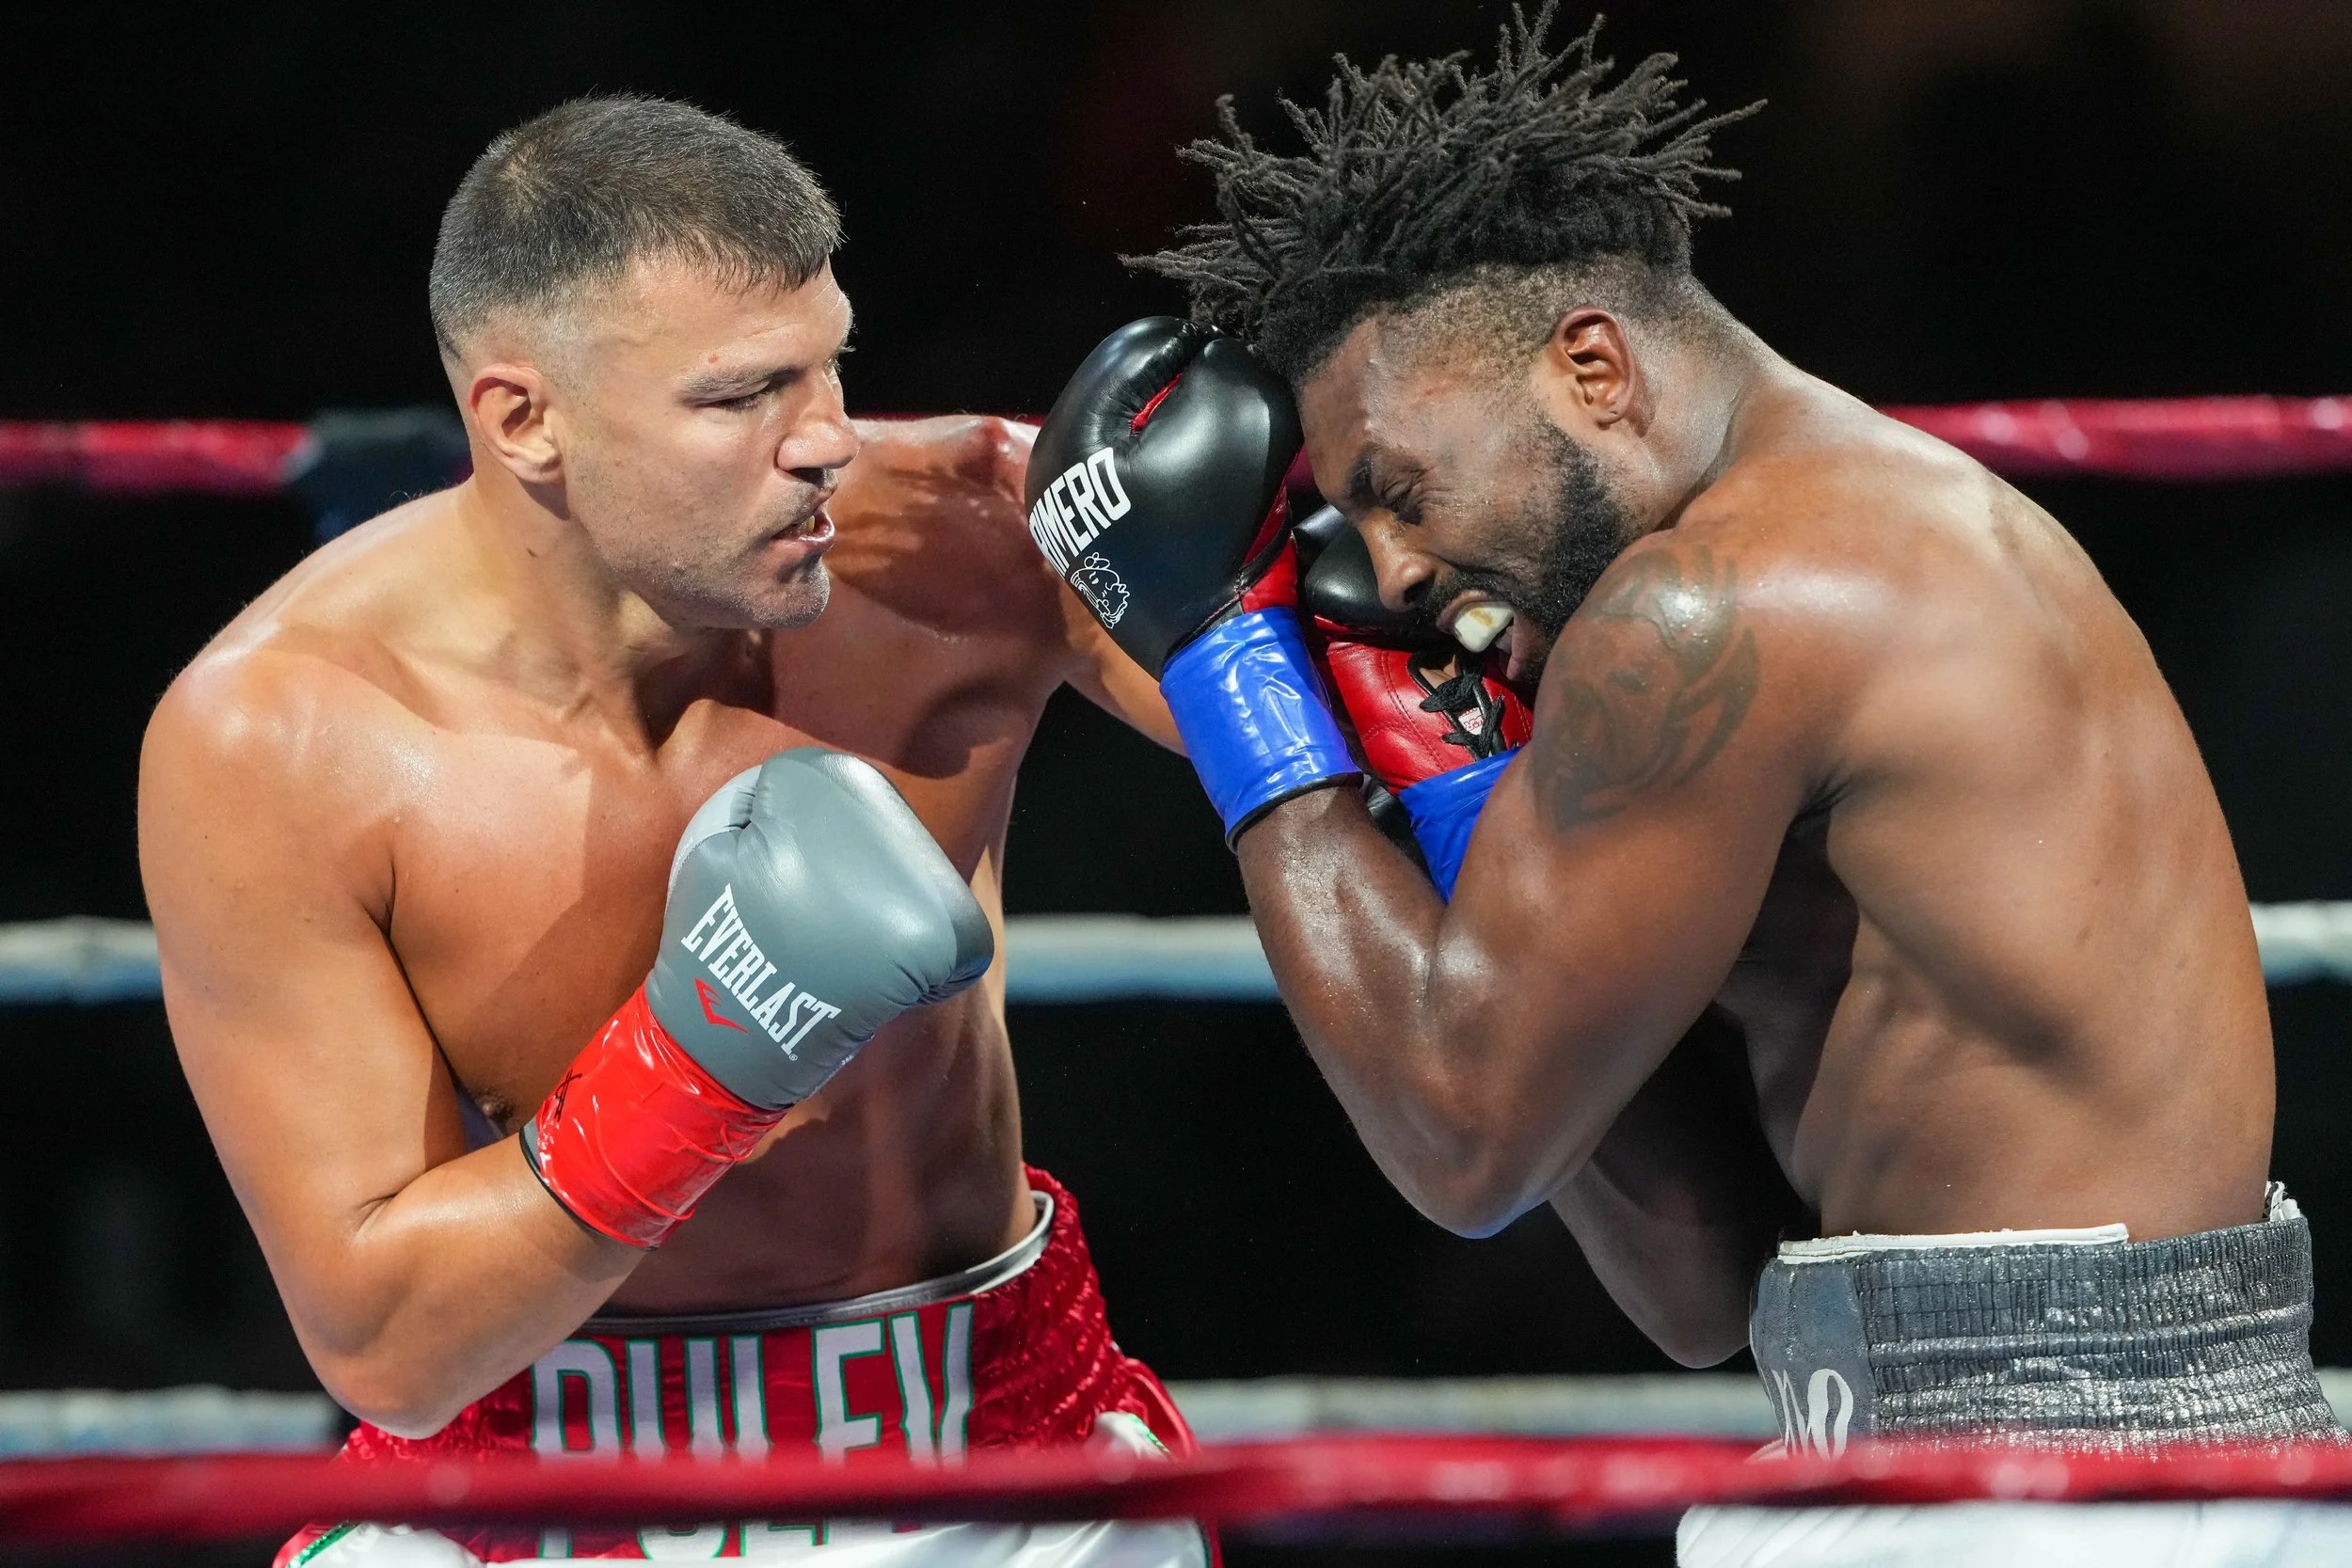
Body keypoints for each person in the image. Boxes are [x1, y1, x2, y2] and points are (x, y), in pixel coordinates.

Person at [1026, 10, 2345, 1564]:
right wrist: (1459, 785)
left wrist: (1228, 669)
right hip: (2010, 1452)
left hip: (2044, 1495)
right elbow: (1698, 1285)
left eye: (1397, 484)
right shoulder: (1861, 528)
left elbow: (1464, 1144)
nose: (1384, 564)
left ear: (1591, 365)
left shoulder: (1722, 604)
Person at [138, 96, 1203, 1566]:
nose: (828, 439)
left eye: (833, 362)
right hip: (525, 1488)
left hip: (990, 1451)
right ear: (524, 420)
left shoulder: (973, 538)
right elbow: (385, 1341)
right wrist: (700, 1060)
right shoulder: (286, 738)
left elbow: (1394, 812)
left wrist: (1276, 610)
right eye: (741, 395)